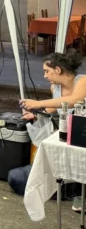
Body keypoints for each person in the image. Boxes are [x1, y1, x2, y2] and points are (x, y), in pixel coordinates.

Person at [11, 50, 86, 208]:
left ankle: (77, 191)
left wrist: (39, 103)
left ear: (58, 70)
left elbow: (74, 100)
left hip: (82, 137)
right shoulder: (55, 88)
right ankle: (72, 189)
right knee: (15, 177)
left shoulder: (83, 81)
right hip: (68, 139)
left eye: (47, 71)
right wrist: (36, 114)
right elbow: (54, 107)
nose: (45, 76)